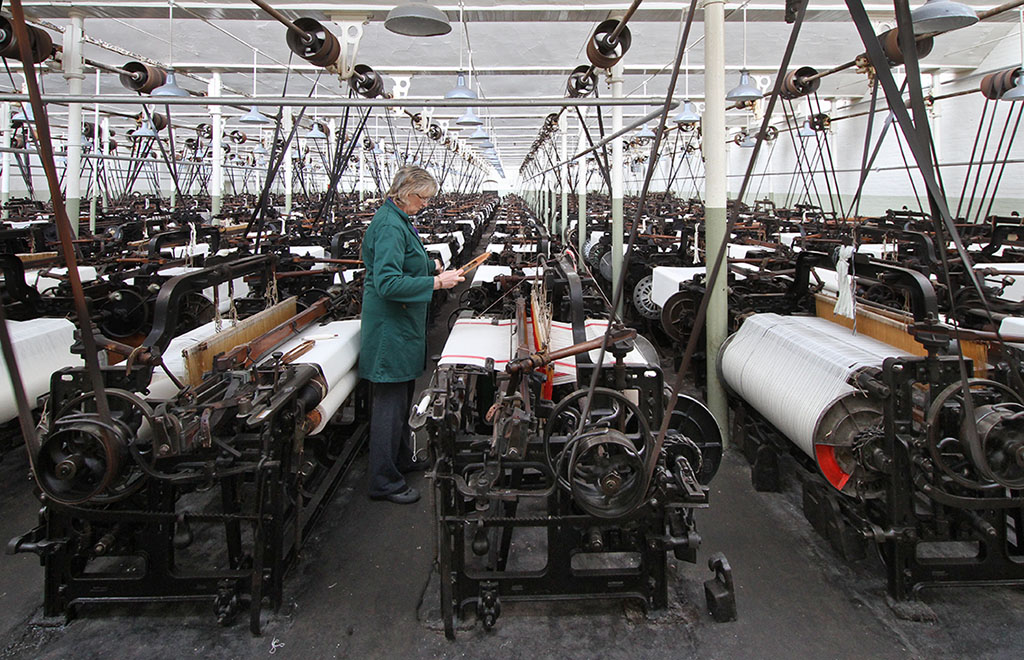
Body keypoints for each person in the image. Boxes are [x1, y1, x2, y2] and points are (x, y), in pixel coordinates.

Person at [359, 166, 464, 504]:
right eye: (422, 197)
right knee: (389, 404)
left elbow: (399, 262)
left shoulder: (397, 219)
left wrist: (428, 267)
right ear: (405, 192)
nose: (424, 204)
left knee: (402, 396)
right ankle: (383, 481)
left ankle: (402, 460)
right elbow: (388, 282)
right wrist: (436, 283)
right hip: (391, 327)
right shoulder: (390, 225)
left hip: (400, 324)